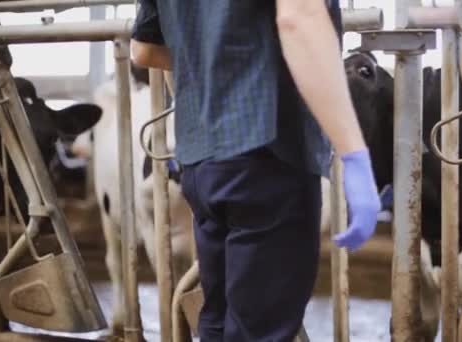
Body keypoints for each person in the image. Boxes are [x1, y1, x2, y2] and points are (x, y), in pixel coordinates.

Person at [130, 1, 381, 340]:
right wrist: (353, 152)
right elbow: (299, 17)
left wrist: (219, 69)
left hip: (201, 157)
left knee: (218, 324)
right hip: (268, 147)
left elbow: (144, 50)